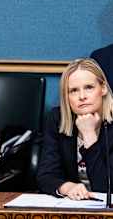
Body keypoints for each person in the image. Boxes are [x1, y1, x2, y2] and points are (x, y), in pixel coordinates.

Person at [37, 58, 113, 200]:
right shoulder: (57, 119)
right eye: (73, 91)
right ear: (67, 96)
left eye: (89, 87)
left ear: (102, 88)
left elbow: (105, 187)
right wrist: (67, 187)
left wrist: (89, 135)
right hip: (73, 207)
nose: (82, 96)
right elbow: (45, 175)